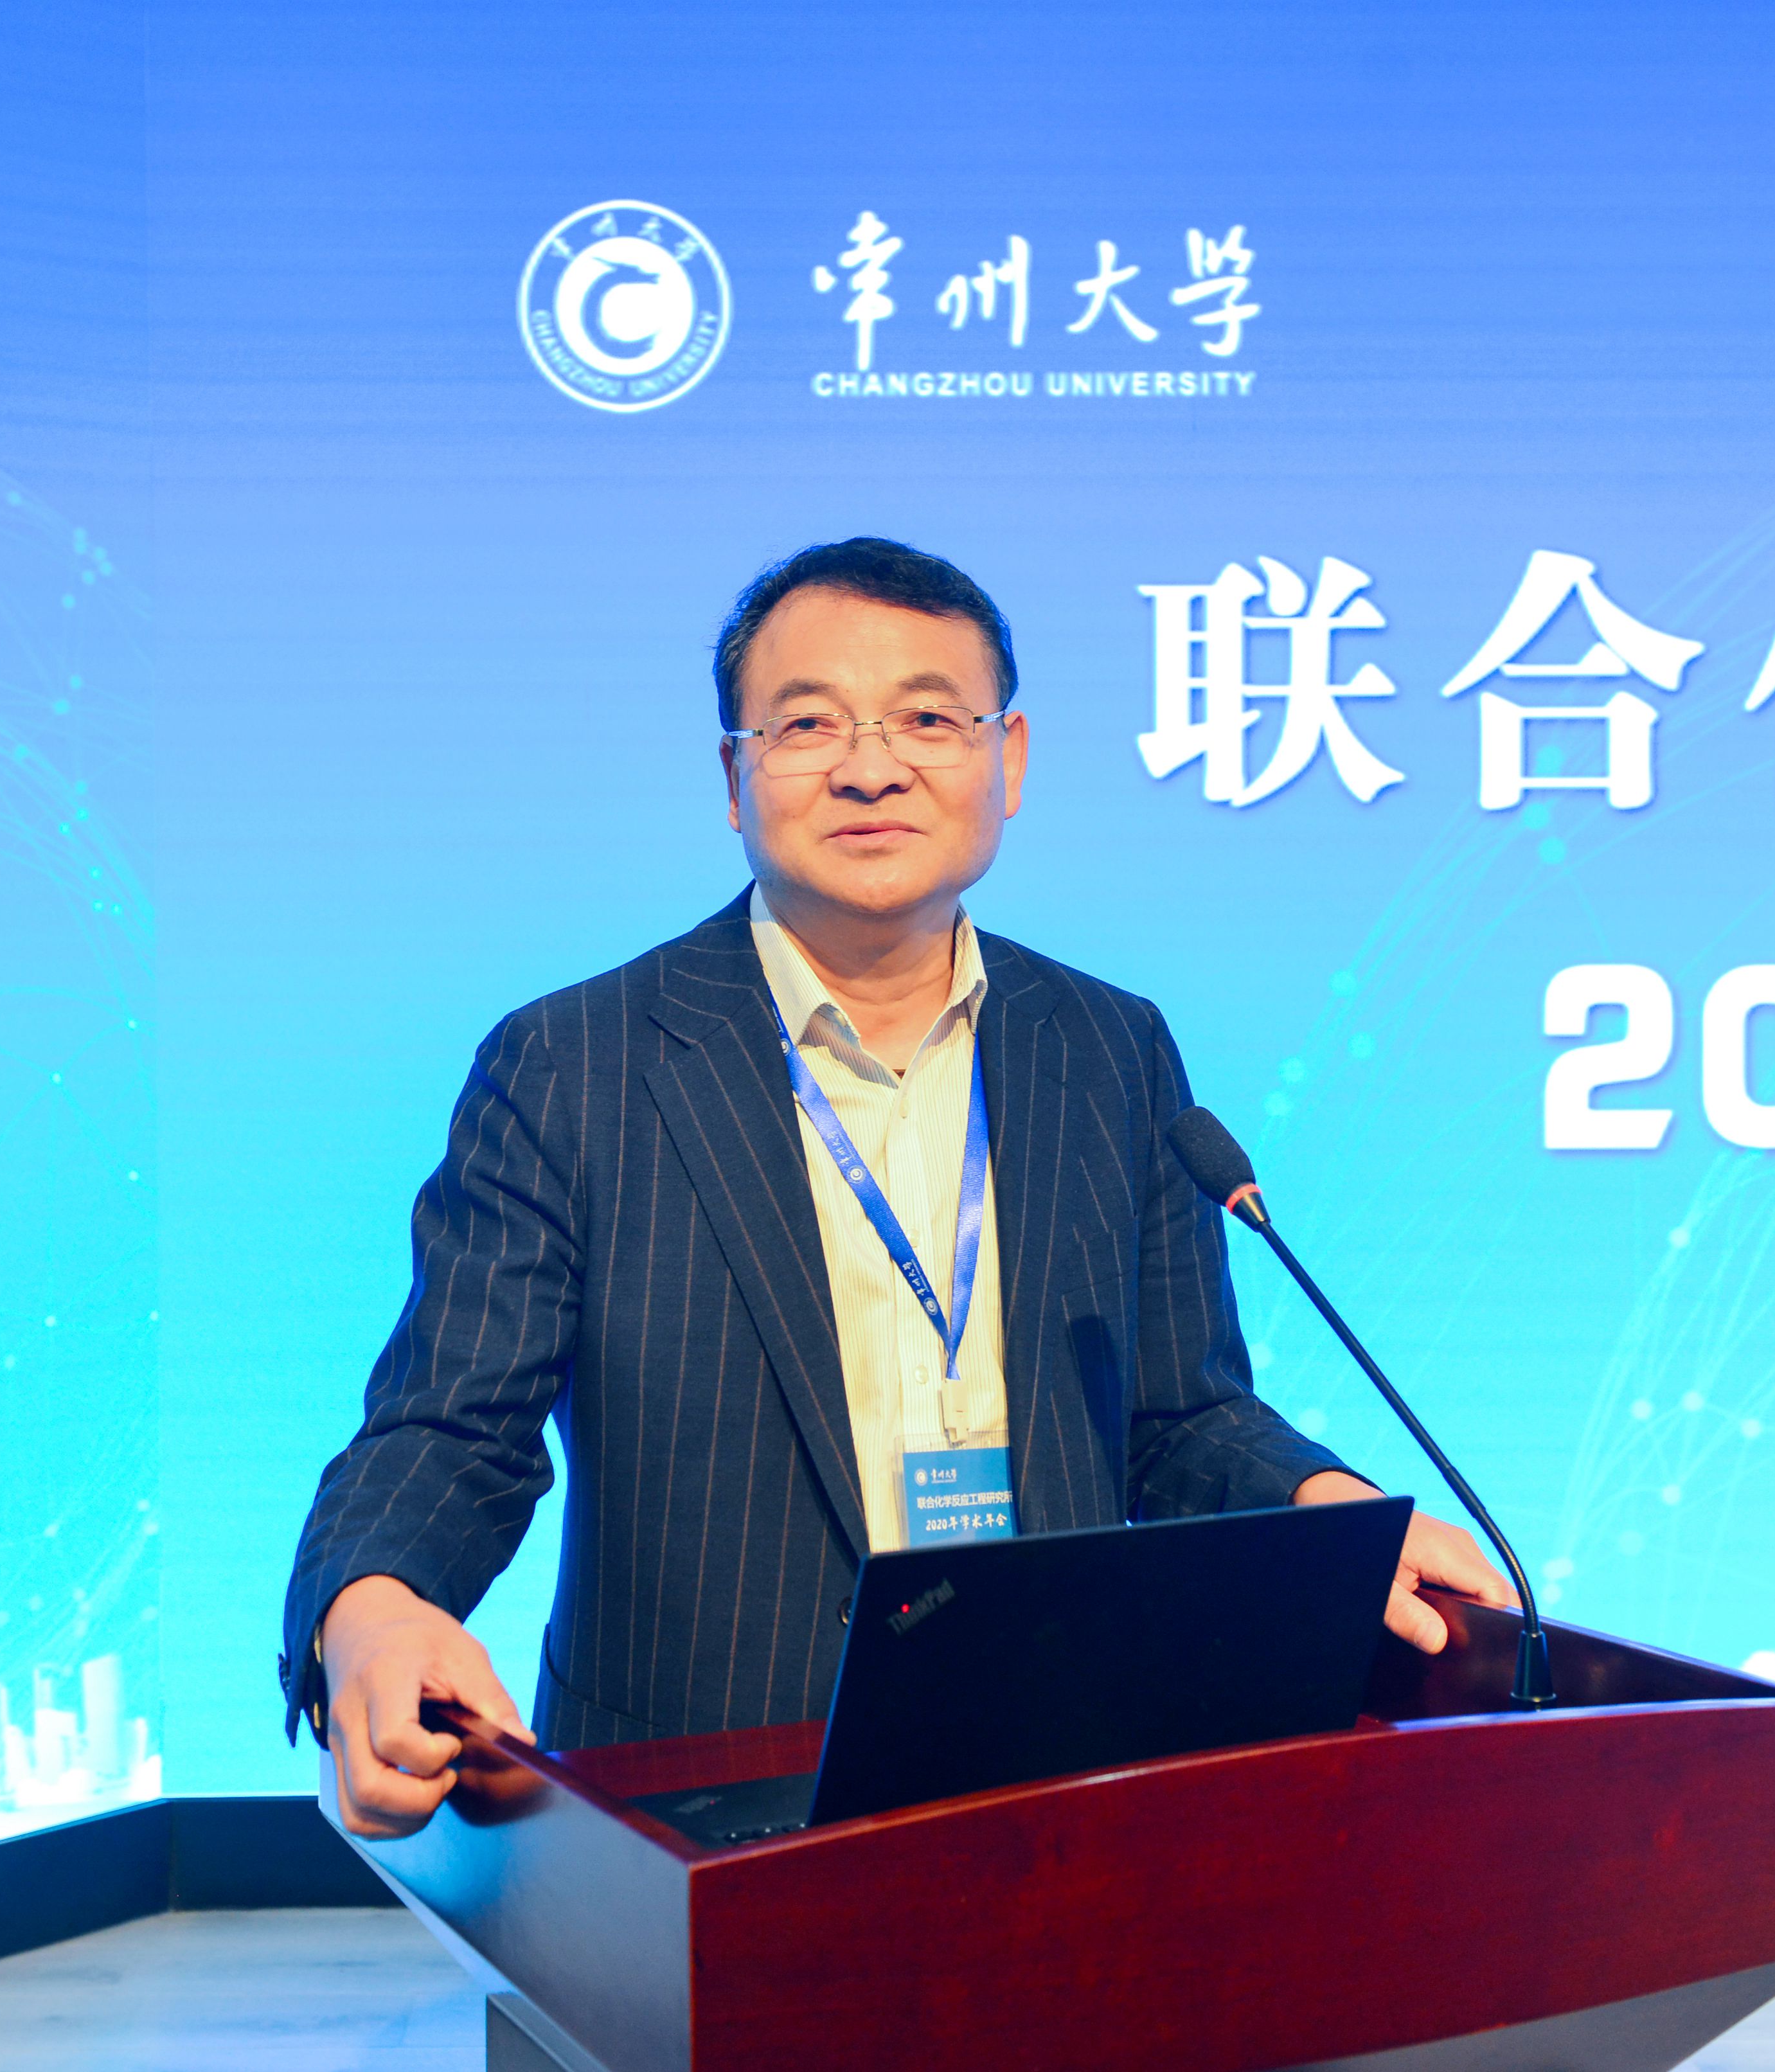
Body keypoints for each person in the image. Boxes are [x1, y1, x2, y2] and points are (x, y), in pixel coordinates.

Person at [283, 538, 1513, 1838]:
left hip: (1058, 1764)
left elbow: (1179, 1414)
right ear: (734, 776)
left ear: (1010, 759)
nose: (871, 766)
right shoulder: (577, 1063)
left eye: (929, 718)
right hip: (705, 1798)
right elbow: (451, 1429)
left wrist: (1326, 1513)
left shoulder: (1109, 1046)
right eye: (808, 723)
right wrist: (372, 1608)